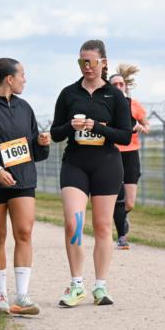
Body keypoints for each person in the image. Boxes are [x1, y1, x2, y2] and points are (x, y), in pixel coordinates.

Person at [49, 39, 132, 307]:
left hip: (106, 164)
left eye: (91, 62)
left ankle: (100, 286)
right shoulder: (69, 93)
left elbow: (125, 136)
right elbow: (55, 133)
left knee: (103, 226)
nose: (87, 66)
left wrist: (97, 126)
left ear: (103, 63)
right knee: (73, 224)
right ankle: (76, 285)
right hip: (76, 164)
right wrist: (70, 127)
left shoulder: (114, 96)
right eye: (82, 62)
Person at [0, 58, 51, 316]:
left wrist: (41, 143)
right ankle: (1, 297)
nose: (25, 80)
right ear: (10, 79)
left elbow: (33, 149)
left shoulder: (24, 107)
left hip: (22, 179)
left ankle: (22, 297)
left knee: (24, 232)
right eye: (23, 75)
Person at [109, 64, 150, 250]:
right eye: (114, 85)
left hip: (131, 154)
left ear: (125, 86)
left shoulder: (134, 105)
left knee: (129, 203)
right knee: (118, 198)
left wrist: (142, 128)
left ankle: (122, 218)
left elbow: (147, 126)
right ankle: (122, 237)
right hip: (113, 153)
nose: (118, 87)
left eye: (121, 84)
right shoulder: (106, 106)